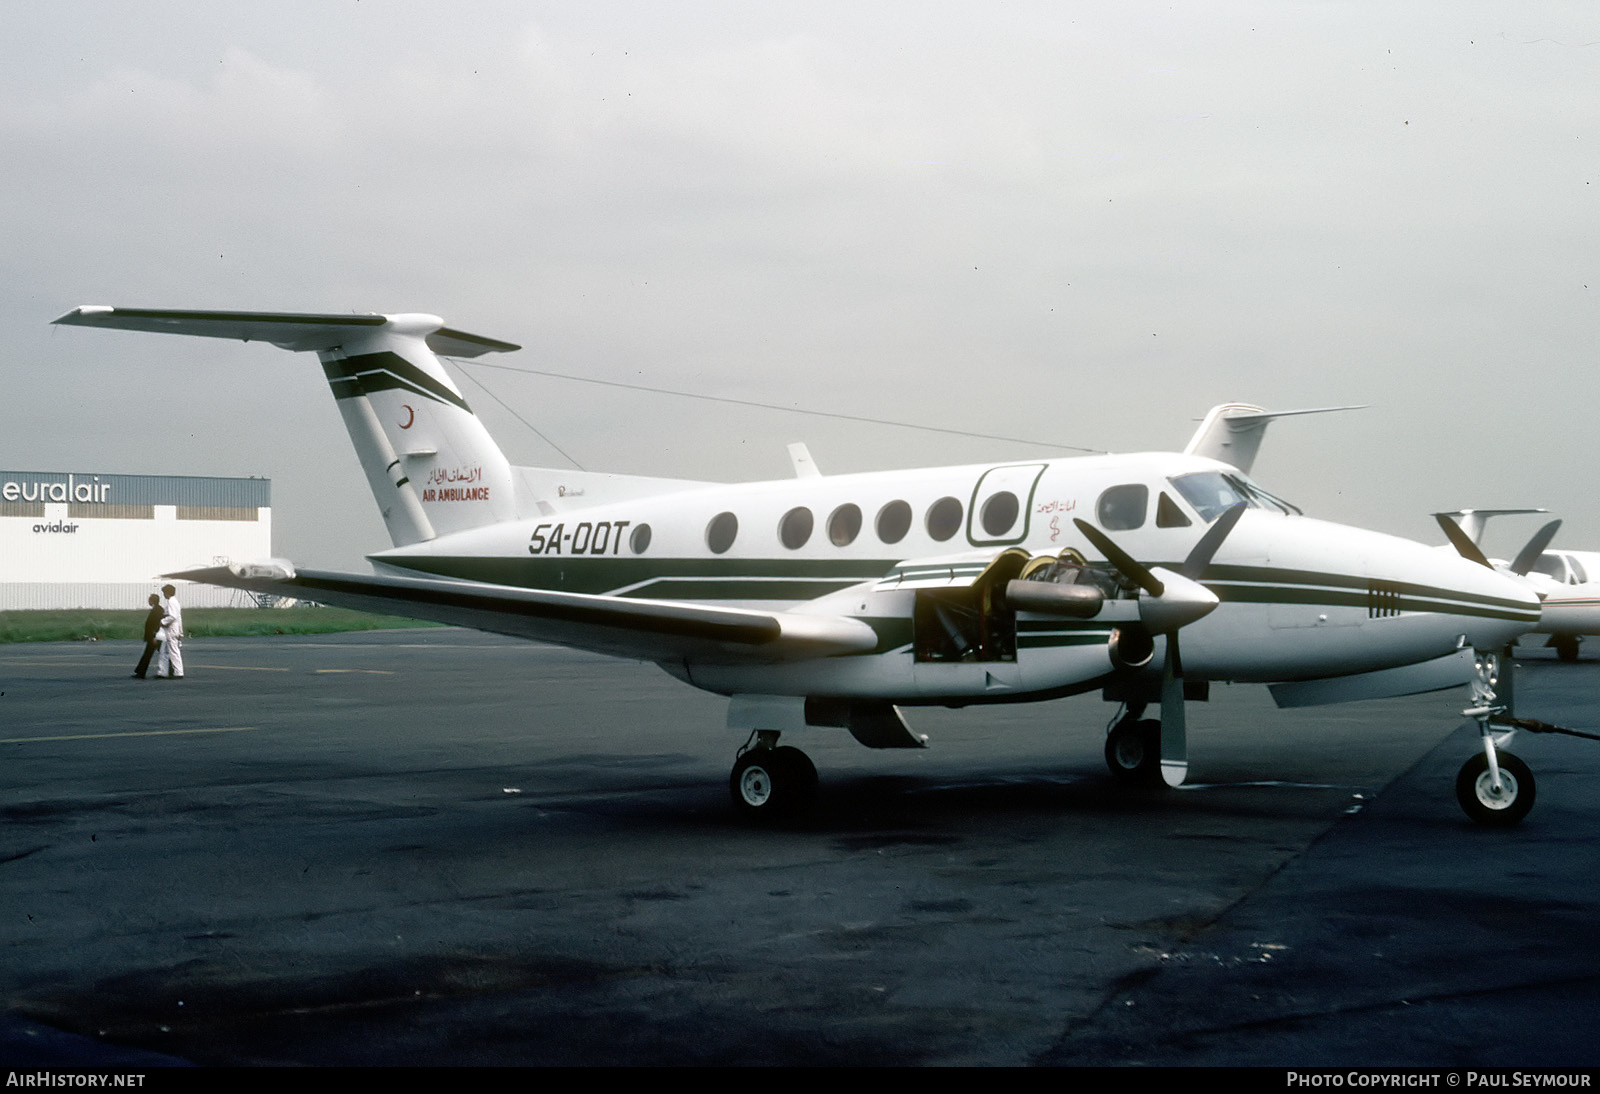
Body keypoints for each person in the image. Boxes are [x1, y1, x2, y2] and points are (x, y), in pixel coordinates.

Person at [154, 584, 185, 679]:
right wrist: (181, 632)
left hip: (171, 629)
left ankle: (178, 672)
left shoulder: (171, 602)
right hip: (173, 629)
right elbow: (179, 618)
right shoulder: (174, 602)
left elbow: (173, 616)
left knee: (173, 651)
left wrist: (162, 622)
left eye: (164, 592)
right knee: (164, 651)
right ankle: (162, 672)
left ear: (167, 593)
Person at [131, 593, 163, 679]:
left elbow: (155, 625)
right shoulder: (157, 609)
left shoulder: (157, 610)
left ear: (152, 601)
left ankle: (141, 672)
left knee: (148, 655)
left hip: (154, 637)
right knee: (149, 654)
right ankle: (140, 671)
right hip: (154, 636)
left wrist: (153, 636)